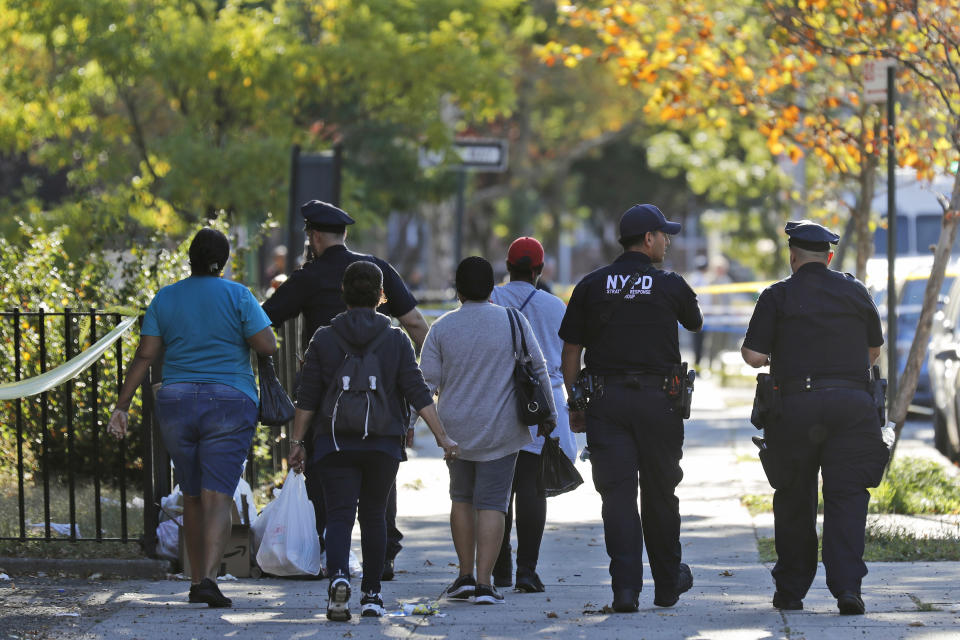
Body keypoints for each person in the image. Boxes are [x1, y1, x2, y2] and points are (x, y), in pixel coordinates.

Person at [107, 228, 277, 608]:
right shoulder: (238, 295)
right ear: (225, 260)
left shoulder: (166, 297)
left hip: (177, 401)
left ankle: (196, 578)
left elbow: (146, 355)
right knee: (219, 495)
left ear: (190, 259)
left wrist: (121, 406)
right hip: (230, 401)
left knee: (193, 494)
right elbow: (267, 344)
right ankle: (209, 582)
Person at [262, 199, 429, 580]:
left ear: (315, 236)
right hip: (380, 397)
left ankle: (328, 556)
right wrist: (431, 373)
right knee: (380, 479)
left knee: (329, 479)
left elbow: (263, 320)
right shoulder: (378, 270)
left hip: (326, 400)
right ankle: (382, 555)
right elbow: (416, 324)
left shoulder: (307, 277)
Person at [287, 261, 458, 621]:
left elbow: (308, 396)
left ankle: (337, 580)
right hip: (382, 442)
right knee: (375, 517)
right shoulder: (395, 339)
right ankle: (372, 594)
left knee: (338, 517)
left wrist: (297, 441)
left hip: (334, 442)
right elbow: (417, 391)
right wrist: (442, 437)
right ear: (381, 297)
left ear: (343, 294)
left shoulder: (324, 338)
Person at [740, 220, 889, 615]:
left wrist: (784, 355)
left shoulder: (777, 295)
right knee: (847, 497)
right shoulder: (856, 291)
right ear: (829, 256)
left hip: (794, 408)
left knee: (793, 497)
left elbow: (754, 356)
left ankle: (791, 591)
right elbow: (874, 351)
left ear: (792, 257)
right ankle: (848, 589)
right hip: (852, 408)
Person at [559, 204, 702, 612]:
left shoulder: (591, 285)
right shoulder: (670, 283)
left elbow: (571, 349)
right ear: (649, 239)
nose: (668, 241)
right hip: (660, 403)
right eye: (664, 234)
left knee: (618, 497)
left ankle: (625, 590)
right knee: (661, 494)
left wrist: (576, 401)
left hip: (606, 402)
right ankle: (667, 585)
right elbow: (694, 322)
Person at [420, 256, 557, 605]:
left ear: (458, 289)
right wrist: (550, 415)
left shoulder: (442, 327)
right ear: (491, 287)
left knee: (461, 500)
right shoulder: (513, 320)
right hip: (502, 429)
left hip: (455, 432)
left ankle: (464, 575)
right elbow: (538, 369)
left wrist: (412, 426)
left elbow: (425, 383)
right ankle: (485, 584)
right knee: (493, 504)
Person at [489, 237, 576, 593]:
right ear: (539, 270)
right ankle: (527, 570)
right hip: (542, 403)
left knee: (498, 488)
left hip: (498, 400)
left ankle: (500, 570)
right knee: (530, 487)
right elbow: (567, 355)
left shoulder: (491, 299)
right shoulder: (555, 306)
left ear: (508, 267)